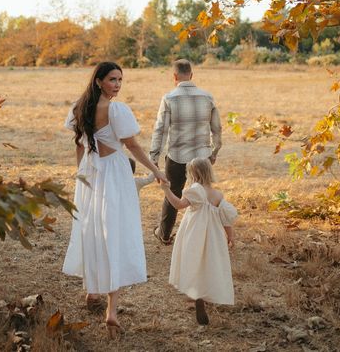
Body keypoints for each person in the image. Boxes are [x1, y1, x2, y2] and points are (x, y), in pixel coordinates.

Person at [63, 61, 167, 339]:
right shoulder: (115, 109)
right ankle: (111, 310)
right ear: (98, 81)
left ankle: (91, 291)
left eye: (120, 79)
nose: (118, 85)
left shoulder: (79, 107)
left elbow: (78, 144)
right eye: (112, 79)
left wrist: (80, 173)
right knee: (114, 233)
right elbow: (132, 145)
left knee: (94, 228)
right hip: (113, 174)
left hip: (89, 172)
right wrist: (155, 170)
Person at [150, 59, 222, 245]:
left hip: (177, 156)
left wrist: (154, 157)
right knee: (204, 194)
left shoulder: (169, 98)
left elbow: (161, 130)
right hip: (202, 157)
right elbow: (217, 128)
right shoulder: (207, 97)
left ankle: (164, 234)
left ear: (174, 76)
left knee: (173, 192)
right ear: (191, 75)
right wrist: (213, 152)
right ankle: (205, 236)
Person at [159, 157, 237, 325]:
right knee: (209, 263)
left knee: (193, 261)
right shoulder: (217, 194)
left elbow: (179, 205)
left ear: (192, 173)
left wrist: (166, 190)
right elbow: (225, 219)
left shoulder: (195, 190)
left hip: (195, 232)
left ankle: (195, 294)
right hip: (214, 236)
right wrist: (230, 236)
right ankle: (206, 294)